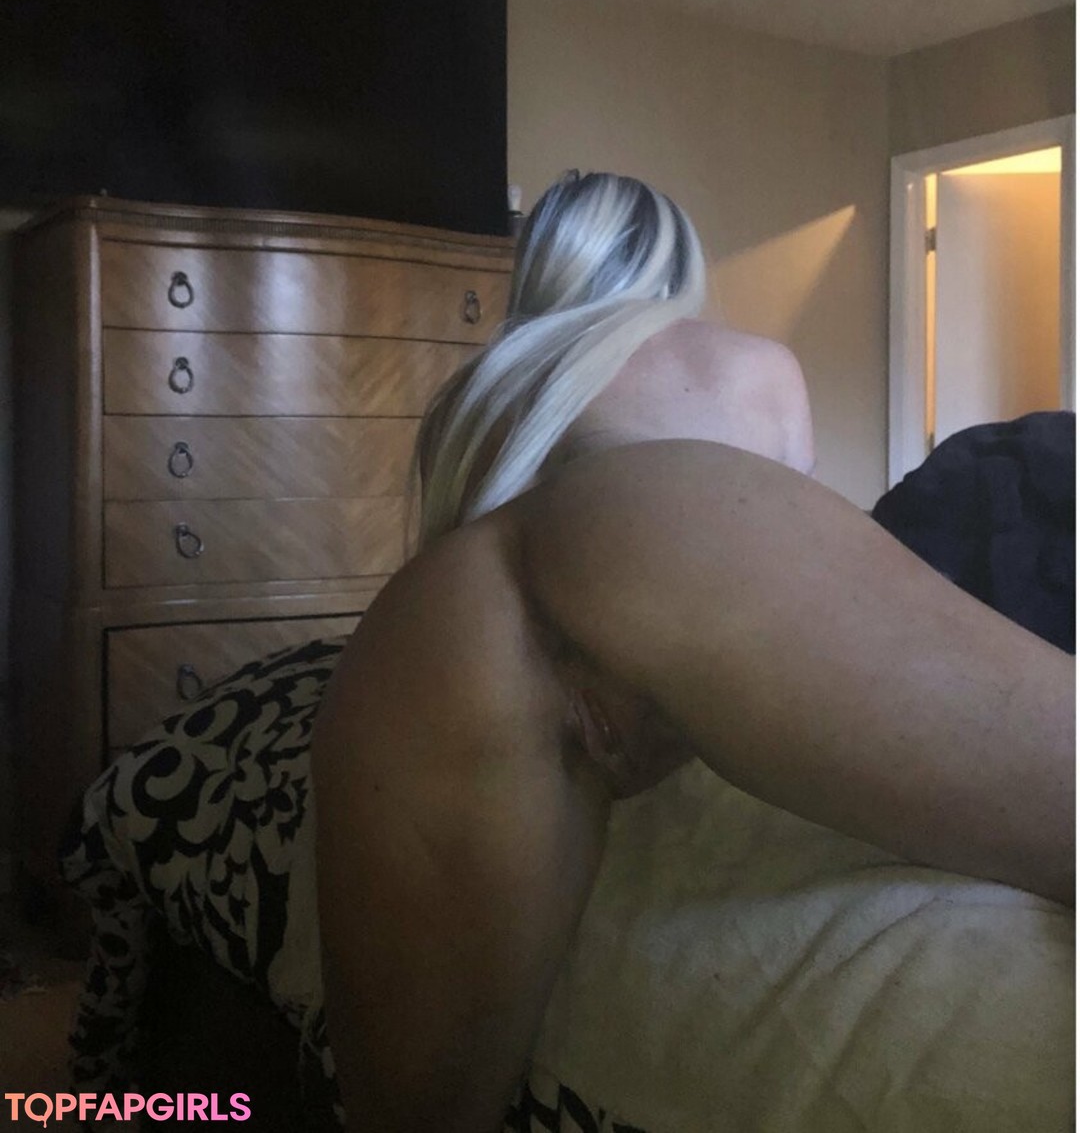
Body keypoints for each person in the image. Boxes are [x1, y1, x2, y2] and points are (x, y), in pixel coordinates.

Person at [312, 175, 1074, 1133]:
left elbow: (446, 534)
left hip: (442, 616)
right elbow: (799, 541)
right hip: (679, 539)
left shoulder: (485, 385)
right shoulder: (754, 365)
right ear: (680, 265)